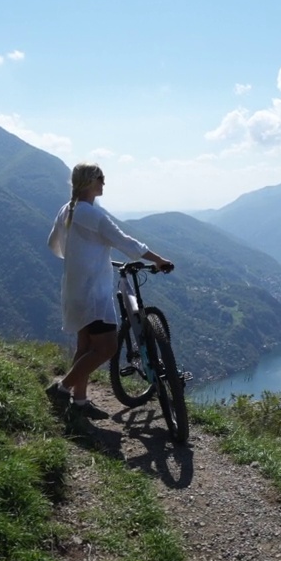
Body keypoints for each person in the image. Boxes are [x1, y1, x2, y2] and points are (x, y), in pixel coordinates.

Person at [45, 163, 173, 419]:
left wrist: (79, 255)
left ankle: (80, 402)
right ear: (90, 181)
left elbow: (54, 245)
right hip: (93, 292)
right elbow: (124, 241)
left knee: (85, 348)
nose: (104, 183)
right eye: (101, 178)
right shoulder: (91, 214)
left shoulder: (67, 210)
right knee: (107, 348)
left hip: (74, 288)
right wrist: (158, 259)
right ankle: (61, 389)